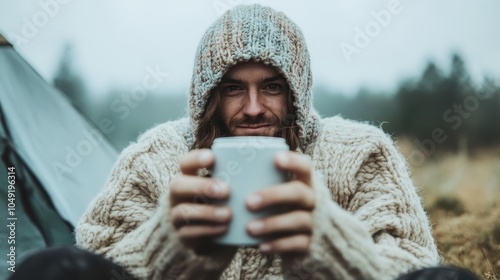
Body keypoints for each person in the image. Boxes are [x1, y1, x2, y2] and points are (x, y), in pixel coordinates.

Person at [8, 4, 480, 280]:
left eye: (271, 86)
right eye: (233, 88)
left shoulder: (359, 153)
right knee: (48, 269)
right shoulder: (154, 160)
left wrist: (330, 244)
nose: (253, 107)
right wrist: (165, 247)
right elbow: (93, 262)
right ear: (207, 96)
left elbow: (416, 265)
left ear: (296, 90)